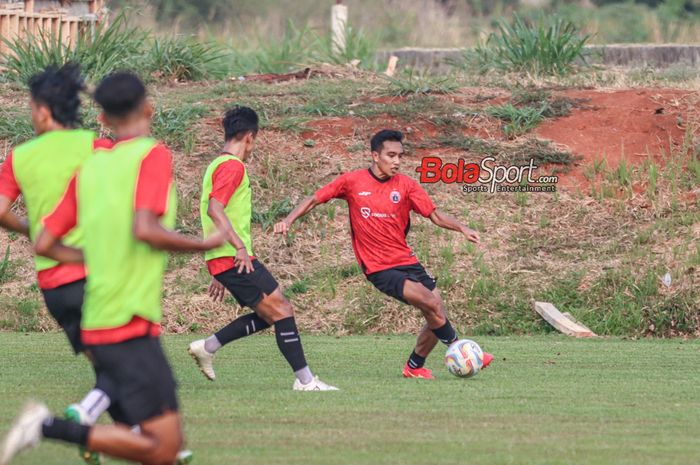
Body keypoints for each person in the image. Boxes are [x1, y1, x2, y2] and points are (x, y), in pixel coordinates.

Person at [0, 72, 223, 465]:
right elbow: (145, 228)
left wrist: (94, 258)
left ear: (102, 117)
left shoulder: (86, 170)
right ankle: (51, 425)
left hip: (91, 311)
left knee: (162, 441)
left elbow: (45, 242)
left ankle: (74, 424)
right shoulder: (138, 154)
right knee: (164, 447)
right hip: (127, 317)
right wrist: (204, 243)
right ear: (149, 108)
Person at [274, 129, 493, 379]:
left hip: (407, 261)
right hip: (379, 267)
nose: (397, 161)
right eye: (391, 155)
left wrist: (462, 228)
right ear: (375, 155)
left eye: (400, 156)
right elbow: (314, 198)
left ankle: (414, 367)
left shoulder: (407, 185)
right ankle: (462, 350)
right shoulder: (352, 182)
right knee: (431, 304)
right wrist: (288, 220)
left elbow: (434, 214)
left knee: (436, 311)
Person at [0, 63, 117, 465]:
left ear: (45, 111)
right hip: (97, 277)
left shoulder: (20, 157)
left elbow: (0, 210)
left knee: (108, 369)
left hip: (54, 286)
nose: (30, 115)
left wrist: (29, 230)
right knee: (127, 367)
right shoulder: (96, 148)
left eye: (31, 107)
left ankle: (104, 435)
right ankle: (76, 422)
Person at [187, 106, 337, 391]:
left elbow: (215, 214)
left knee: (272, 315)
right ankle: (305, 381)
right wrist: (239, 247)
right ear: (249, 137)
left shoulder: (215, 165)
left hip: (225, 259)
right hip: (234, 257)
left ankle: (208, 347)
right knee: (281, 310)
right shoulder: (232, 166)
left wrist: (218, 263)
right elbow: (215, 210)